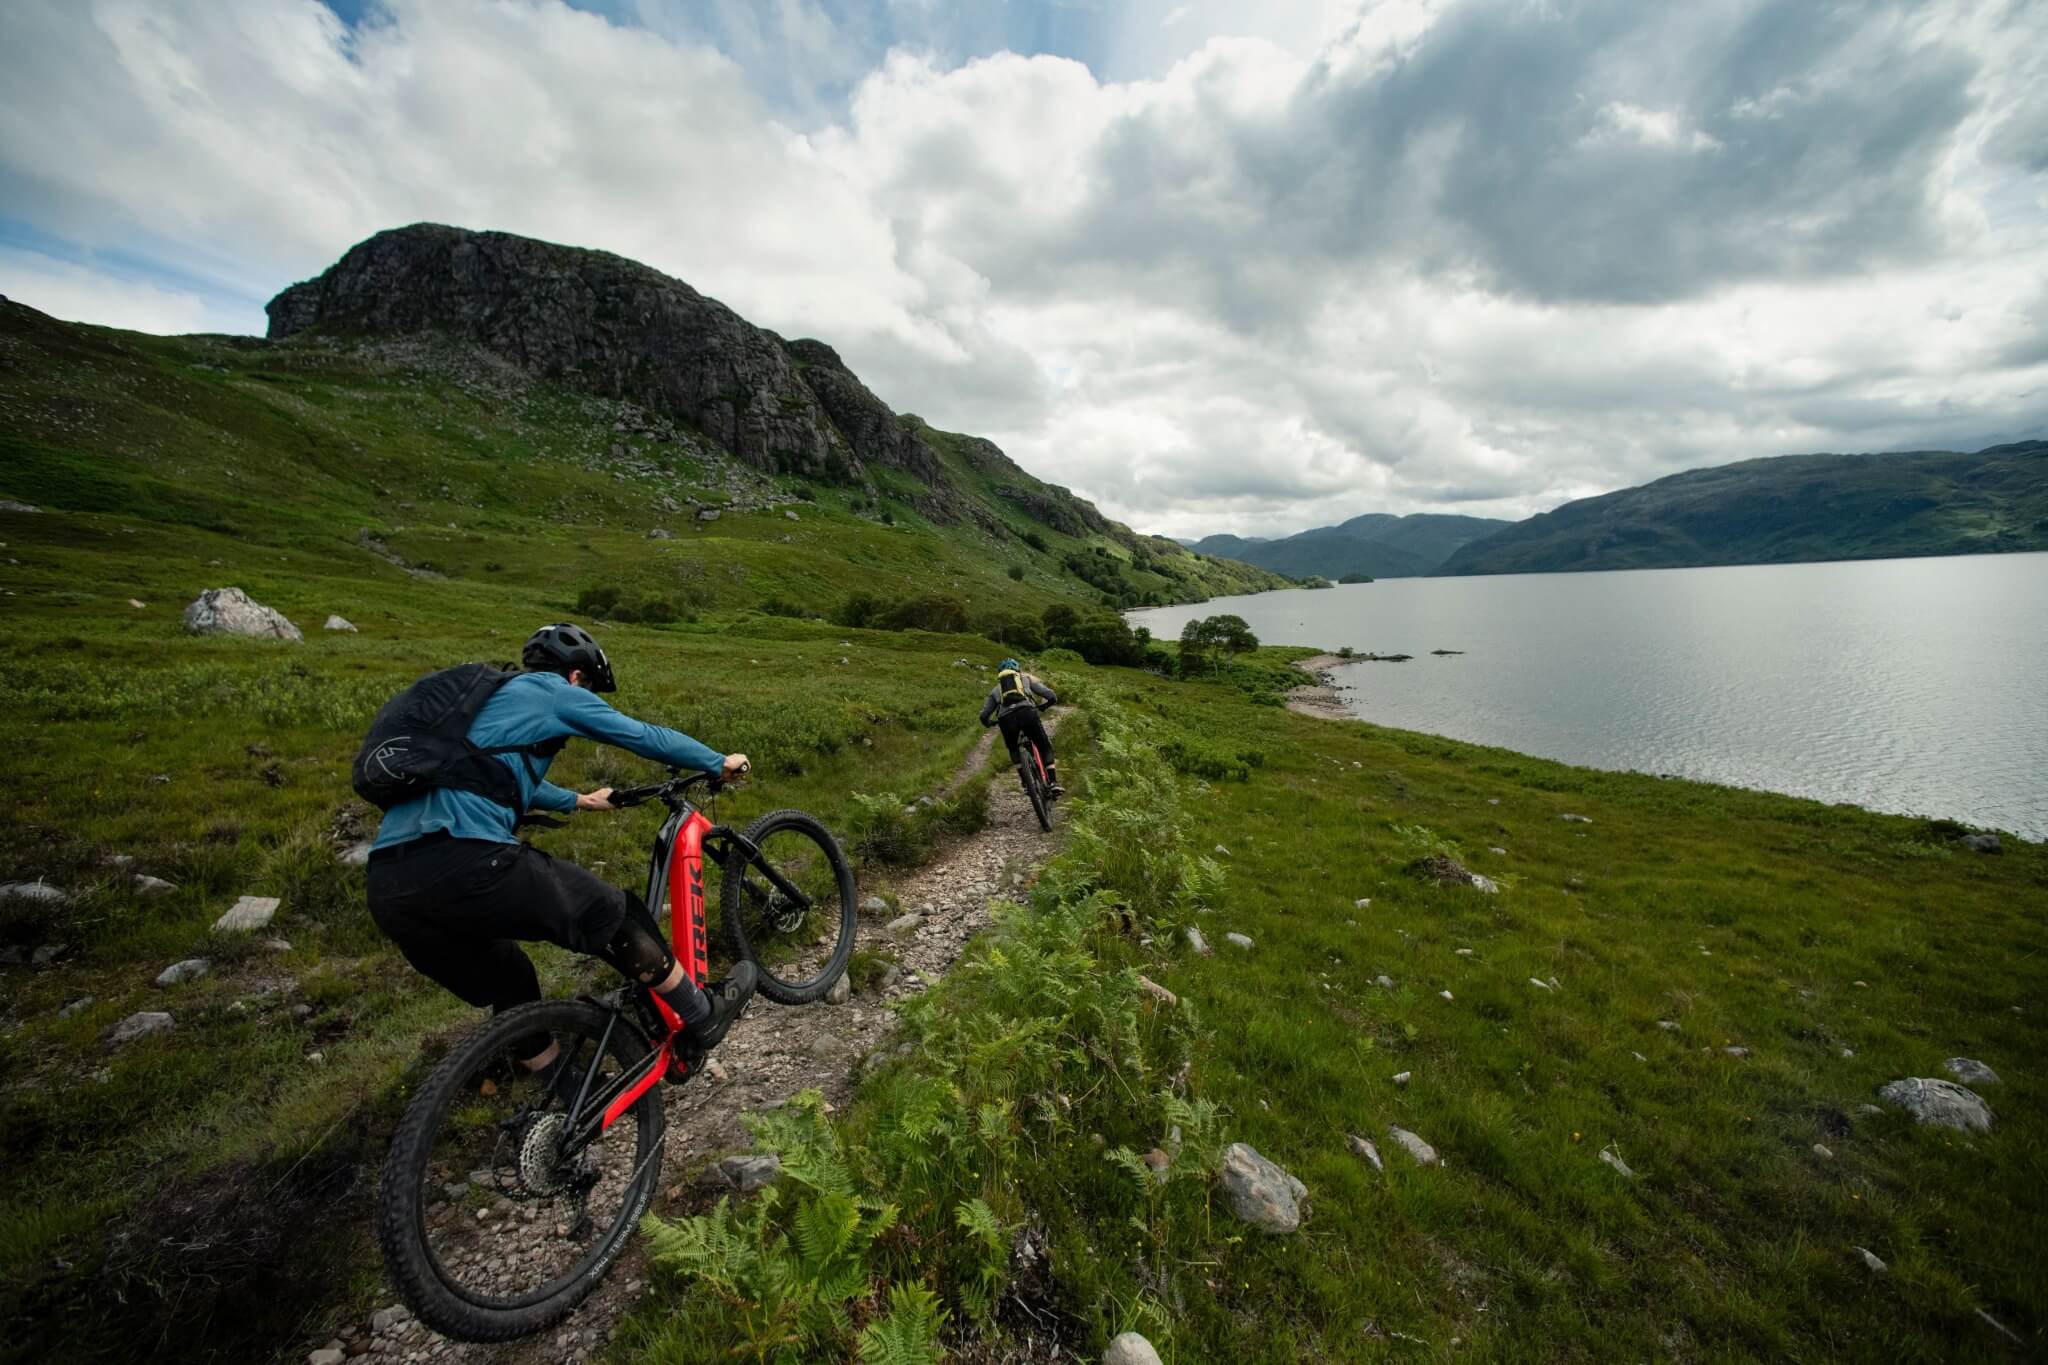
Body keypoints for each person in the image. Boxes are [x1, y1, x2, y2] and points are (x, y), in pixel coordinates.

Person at [365, 623, 756, 1092]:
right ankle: (703, 1014)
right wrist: (717, 761)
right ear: (575, 677)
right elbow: (640, 734)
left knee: (511, 977)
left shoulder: (480, 706)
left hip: (390, 886)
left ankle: (564, 1090)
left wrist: (579, 800)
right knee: (616, 913)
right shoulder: (554, 692)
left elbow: (495, 775)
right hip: (465, 857)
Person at [979, 657, 1061, 795]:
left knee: (1013, 750)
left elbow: (983, 715)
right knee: (1044, 745)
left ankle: (1026, 783)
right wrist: (1046, 705)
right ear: (1017, 670)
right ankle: (1053, 783)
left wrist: (989, 723)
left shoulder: (995, 690)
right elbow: (1051, 695)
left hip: (1006, 719)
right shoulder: (1025, 679)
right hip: (1027, 713)